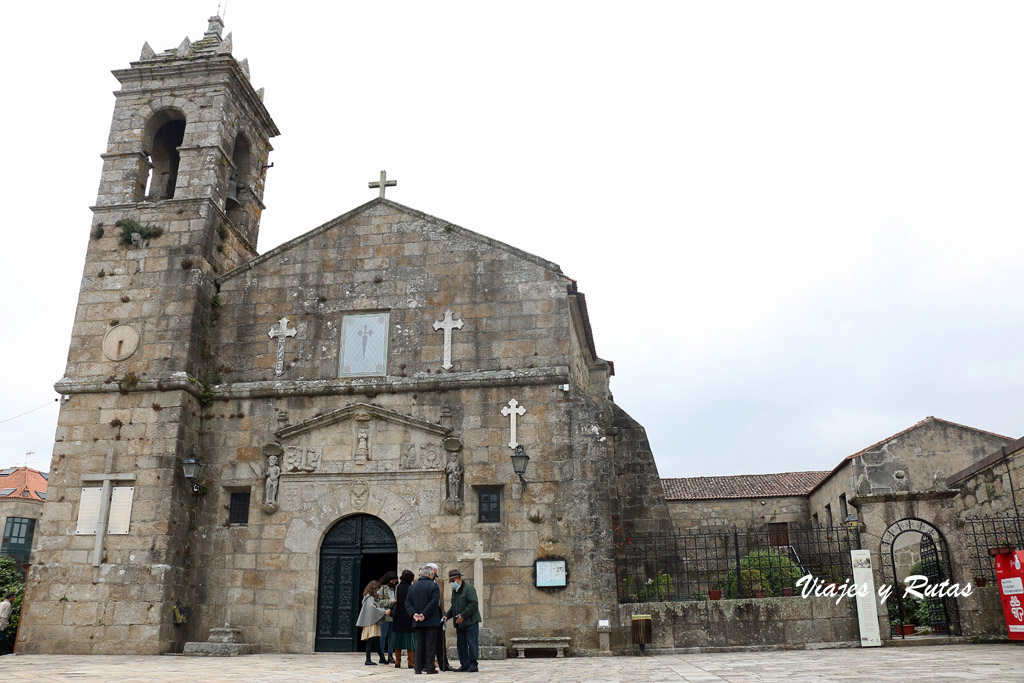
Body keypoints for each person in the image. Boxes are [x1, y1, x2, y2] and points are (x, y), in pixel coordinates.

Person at [405, 565, 441, 674]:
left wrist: (414, 614)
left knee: (419, 644)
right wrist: (424, 614)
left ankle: (418, 668)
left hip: (417, 621)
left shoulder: (412, 587)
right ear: (430, 574)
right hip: (431, 620)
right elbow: (434, 602)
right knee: (430, 644)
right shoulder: (433, 586)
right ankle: (430, 667)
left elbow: (407, 603)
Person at [445, 569, 481, 672]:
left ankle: (473, 664)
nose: (451, 583)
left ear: (459, 579)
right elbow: (454, 607)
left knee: (471, 643)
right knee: (461, 645)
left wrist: (463, 616)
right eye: (450, 581)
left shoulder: (469, 589)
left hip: (470, 622)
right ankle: (464, 664)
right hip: (459, 624)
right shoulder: (455, 592)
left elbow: (473, 604)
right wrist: (447, 616)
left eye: (453, 580)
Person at [426, 562, 454, 672]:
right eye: (433, 572)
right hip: (426, 614)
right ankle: (427, 664)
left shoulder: (439, 582)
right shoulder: (418, 582)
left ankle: (444, 664)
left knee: (441, 640)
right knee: (428, 641)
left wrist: (443, 613)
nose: (435, 574)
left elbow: (441, 599)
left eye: (436, 572)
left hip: (438, 613)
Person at [355, 580, 390, 666]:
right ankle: (368, 659)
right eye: (378, 589)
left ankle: (382, 658)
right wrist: (384, 612)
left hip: (373, 621)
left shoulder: (372, 598)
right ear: (374, 589)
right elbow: (373, 609)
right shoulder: (369, 598)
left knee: (376, 640)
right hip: (371, 622)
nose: (378, 591)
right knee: (371, 640)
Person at [390, 570, 416, 669]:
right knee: (410, 639)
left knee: (397, 639)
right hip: (408, 614)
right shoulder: (411, 588)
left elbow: (396, 600)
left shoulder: (398, 587)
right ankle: (410, 662)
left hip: (398, 614)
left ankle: (397, 661)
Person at [376, 571, 399, 663]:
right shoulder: (383, 588)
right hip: (385, 614)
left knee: (392, 636)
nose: (394, 582)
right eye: (393, 580)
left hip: (394, 614)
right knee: (383, 635)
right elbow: (380, 602)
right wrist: (391, 601)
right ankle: (381, 655)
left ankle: (390, 655)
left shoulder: (396, 588)